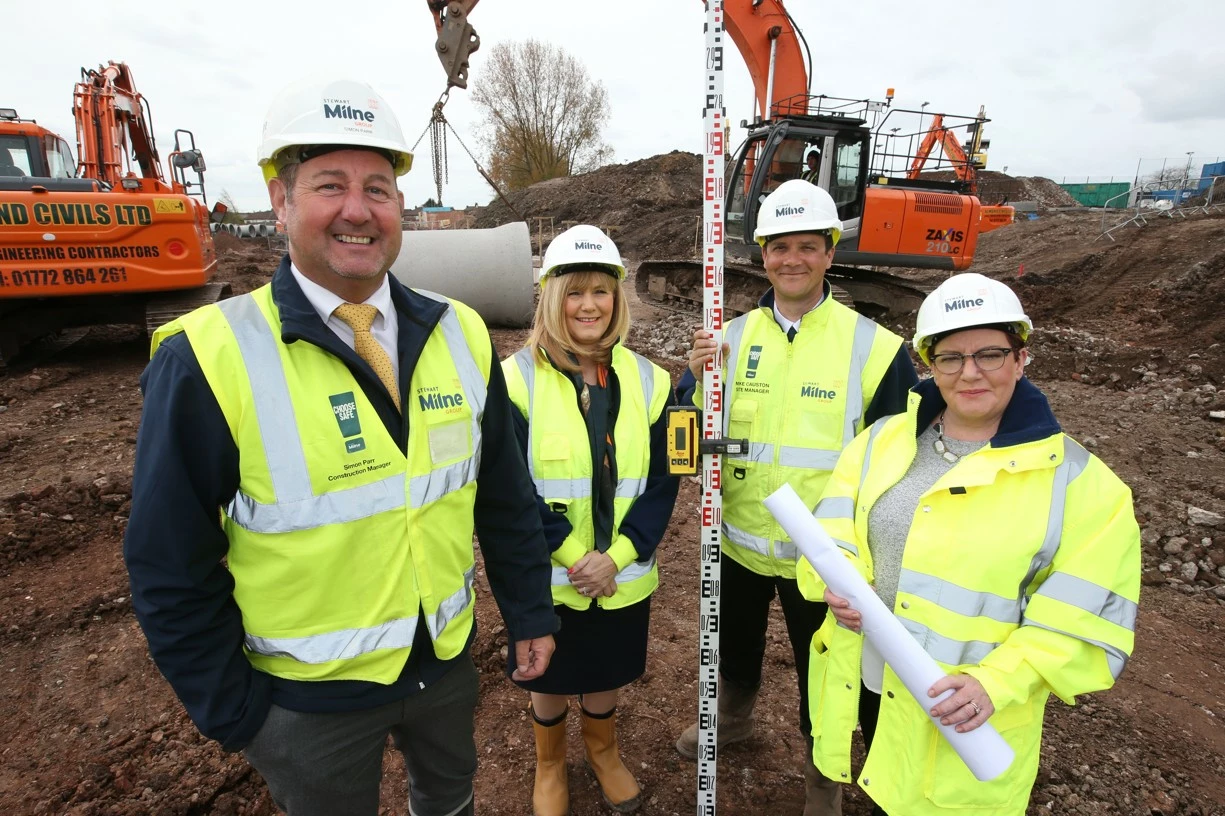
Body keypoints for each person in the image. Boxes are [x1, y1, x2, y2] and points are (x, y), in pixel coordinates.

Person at [123, 77, 558, 816]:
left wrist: (529, 611)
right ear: (281, 199)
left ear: (399, 209)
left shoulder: (459, 332)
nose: (358, 210)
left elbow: (504, 496)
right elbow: (167, 560)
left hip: (443, 665)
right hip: (307, 702)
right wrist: (239, 713)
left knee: (448, 803)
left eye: (378, 188)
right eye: (330, 184)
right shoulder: (209, 357)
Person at [800, 272, 1140, 815]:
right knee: (880, 789)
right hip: (868, 677)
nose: (971, 373)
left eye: (990, 353)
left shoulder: (1081, 486)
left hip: (968, 712)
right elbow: (834, 523)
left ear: (1021, 357)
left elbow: (1084, 624)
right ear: (930, 365)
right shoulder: (883, 440)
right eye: (951, 358)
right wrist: (833, 577)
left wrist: (996, 683)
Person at [675, 179, 918, 815]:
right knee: (736, 646)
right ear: (761, 256)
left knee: (829, 672)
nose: (792, 259)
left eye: (807, 247)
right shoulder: (726, 338)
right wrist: (693, 381)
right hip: (741, 543)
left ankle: (823, 779)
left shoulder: (876, 349)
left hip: (828, 559)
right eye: (778, 247)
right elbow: (679, 436)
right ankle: (732, 720)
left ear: (830, 253)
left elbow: (898, 462)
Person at [502, 225, 679, 816]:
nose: (588, 306)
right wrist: (578, 557)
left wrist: (618, 558)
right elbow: (514, 491)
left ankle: (603, 750)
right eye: (574, 291)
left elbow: (660, 483)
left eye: (601, 292)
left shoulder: (651, 381)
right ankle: (550, 763)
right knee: (548, 675)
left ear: (617, 300)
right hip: (553, 576)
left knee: (605, 666)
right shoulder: (516, 381)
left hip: (620, 576)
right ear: (551, 296)